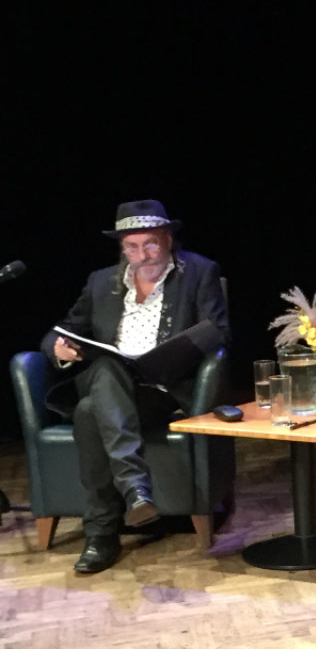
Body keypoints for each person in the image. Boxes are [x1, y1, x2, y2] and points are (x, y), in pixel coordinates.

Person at [41, 200, 230, 574]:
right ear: (121, 247)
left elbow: (219, 333)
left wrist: (174, 356)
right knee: (110, 367)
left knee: (88, 411)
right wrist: (58, 349)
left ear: (168, 240)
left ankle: (101, 535)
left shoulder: (199, 273)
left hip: (161, 391)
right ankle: (135, 490)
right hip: (110, 381)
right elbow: (61, 331)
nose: (141, 255)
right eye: (131, 246)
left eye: (150, 244)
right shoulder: (100, 282)